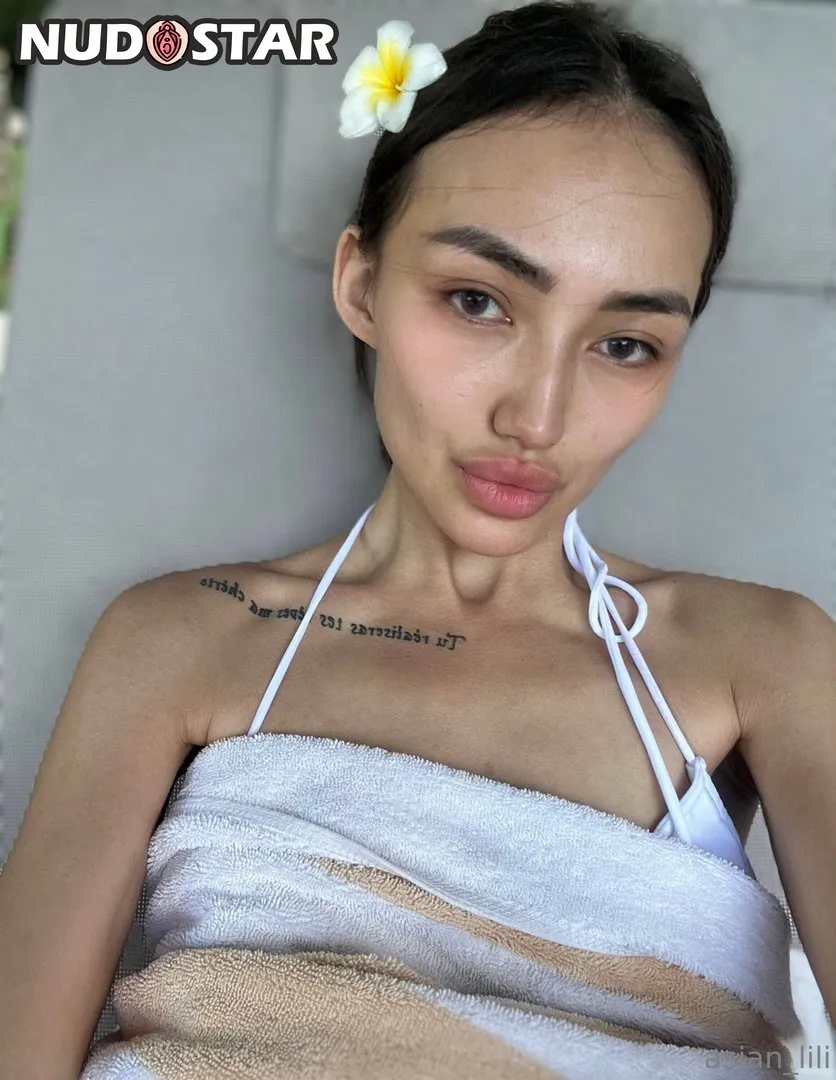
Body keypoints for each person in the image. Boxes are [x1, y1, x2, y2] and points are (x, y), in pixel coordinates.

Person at [1, 3, 833, 1076]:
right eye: (478, 301)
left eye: (625, 343)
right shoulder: (178, 640)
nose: (537, 417)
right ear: (361, 284)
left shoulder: (764, 660)